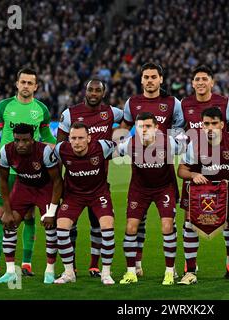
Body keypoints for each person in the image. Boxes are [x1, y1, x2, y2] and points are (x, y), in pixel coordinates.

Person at [0, 67, 57, 277]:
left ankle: (27, 264)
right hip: (7, 170)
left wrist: (63, 152)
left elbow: (48, 137)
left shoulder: (41, 109)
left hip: (32, 172)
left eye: (30, 83)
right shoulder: (4, 106)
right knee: (1, 214)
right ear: (17, 83)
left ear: (36, 86)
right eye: (23, 82)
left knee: (29, 216)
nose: (26, 86)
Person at [180, 65, 229, 281]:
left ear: (212, 82)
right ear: (192, 83)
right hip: (196, 164)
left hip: (225, 165)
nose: (201, 83)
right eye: (197, 79)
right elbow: (173, 127)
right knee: (189, 218)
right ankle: (189, 268)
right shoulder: (184, 105)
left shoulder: (225, 103)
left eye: (205, 79)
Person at [120, 62, 185, 276]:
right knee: (138, 223)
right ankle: (136, 265)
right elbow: (123, 129)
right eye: (146, 77)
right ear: (141, 80)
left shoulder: (172, 102)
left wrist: (168, 143)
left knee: (168, 223)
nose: (149, 80)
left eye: (153, 77)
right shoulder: (132, 102)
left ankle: (171, 268)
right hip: (140, 169)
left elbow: (180, 126)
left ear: (161, 79)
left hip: (163, 170)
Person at [57, 79, 123, 278]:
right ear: (85, 91)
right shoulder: (70, 114)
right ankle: (72, 268)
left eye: (98, 91)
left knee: (98, 225)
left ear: (103, 93)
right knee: (70, 227)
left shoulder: (112, 112)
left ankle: (95, 266)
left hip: (99, 182)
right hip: (73, 184)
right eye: (90, 90)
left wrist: (120, 136)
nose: (93, 93)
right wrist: (58, 184)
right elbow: (61, 146)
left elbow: (129, 118)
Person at [0, 124, 62, 284]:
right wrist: (7, 210)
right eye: (17, 140)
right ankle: (10, 272)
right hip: (23, 186)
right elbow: (3, 180)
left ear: (33, 139)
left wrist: (52, 211)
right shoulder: (6, 151)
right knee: (8, 222)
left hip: (45, 188)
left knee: (51, 226)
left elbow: (58, 181)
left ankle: (49, 271)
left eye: (25, 140)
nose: (21, 144)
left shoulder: (44, 151)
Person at [52, 122, 116, 285]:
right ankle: (69, 273)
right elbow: (46, 148)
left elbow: (126, 148)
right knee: (61, 229)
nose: (77, 141)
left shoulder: (102, 146)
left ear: (89, 138)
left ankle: (106, 273)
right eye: (73, 138)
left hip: (98, 194)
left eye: (81, 138)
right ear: (69, 139)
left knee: (107, 227)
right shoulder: (61, 149)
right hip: (74, 196)